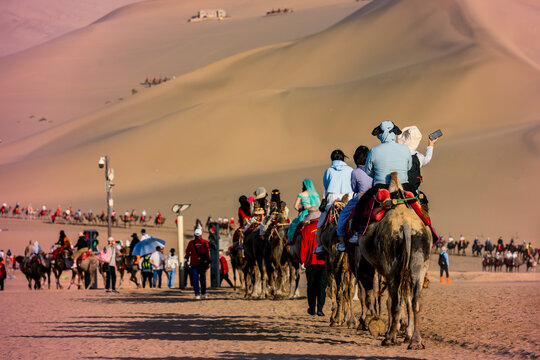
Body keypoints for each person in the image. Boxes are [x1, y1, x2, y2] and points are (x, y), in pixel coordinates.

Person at [314, 149, 354, 254]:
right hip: (348, 196)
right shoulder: (350, 170)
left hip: (332, 196)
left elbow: (326, 186)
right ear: (343, 158)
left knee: (321, 220)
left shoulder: (329, 170)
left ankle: (319, 245)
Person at [336, 145, 372, 251]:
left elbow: (354, 187)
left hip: (361, 197)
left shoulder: (355, 172)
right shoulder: (374, 169)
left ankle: (342, 243)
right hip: (375, 195)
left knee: (342, 215)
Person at [300, 207, 327, 316]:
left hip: (310, 262)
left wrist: (302, 261)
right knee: (322, 286)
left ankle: (311, 308)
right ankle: (320, 309)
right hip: (323, 262)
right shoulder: (325, 228)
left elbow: (304, 246)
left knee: (311, 286)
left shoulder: (306, 229)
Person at [396, 126, 438, 194]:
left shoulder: (397, 154)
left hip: (398, 189)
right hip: (414, 191)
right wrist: (431, 144)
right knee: (423, 200)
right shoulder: (419, 156)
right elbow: (427, 159)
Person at [185, 228, 210, 299]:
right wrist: (208, 262)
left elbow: (187, 252)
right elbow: (207, 253)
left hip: (193, 264)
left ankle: (197, 294)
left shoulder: (191, 243)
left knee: (195, 280)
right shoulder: (205, 242)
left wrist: (186, 258)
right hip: (202, 264)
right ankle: (203, 294)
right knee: (203, 279)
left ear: (194, 234)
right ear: (201, 234)